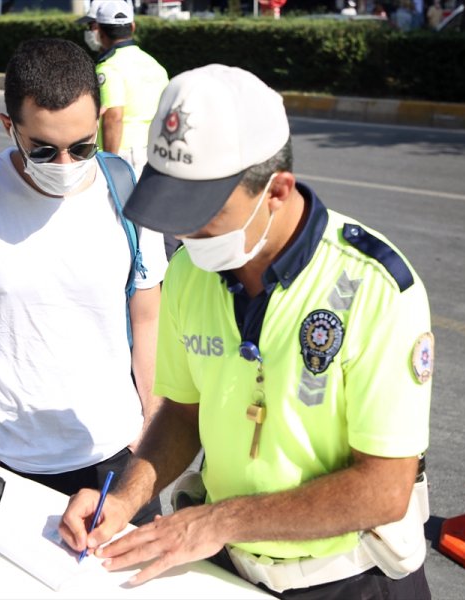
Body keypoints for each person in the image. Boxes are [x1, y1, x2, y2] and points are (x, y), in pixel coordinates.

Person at [60, 64, 434, 599]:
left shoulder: (375, 288)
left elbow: (384, 489)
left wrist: (218, 521)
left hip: (348, 579)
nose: (186, 233)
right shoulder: (189, 271)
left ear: (276, 190)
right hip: (230, 568)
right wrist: (123, 498)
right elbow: (183, 412)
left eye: (204, 215)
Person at [0, 38, 168, 522]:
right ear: (10, 127)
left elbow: (148, 318)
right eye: (44, 150)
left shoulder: (127, 191)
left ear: (97, 122)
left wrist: (150, 425)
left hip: (115, 455)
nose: (65, 165)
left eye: (83, 146)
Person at [78, 0, 168, 179]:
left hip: (124, 155)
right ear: (132, 27)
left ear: (100, 31)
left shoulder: (109, 68)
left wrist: (110, 164)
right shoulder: (155, 65)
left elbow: (114, 117)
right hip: (155, 151)